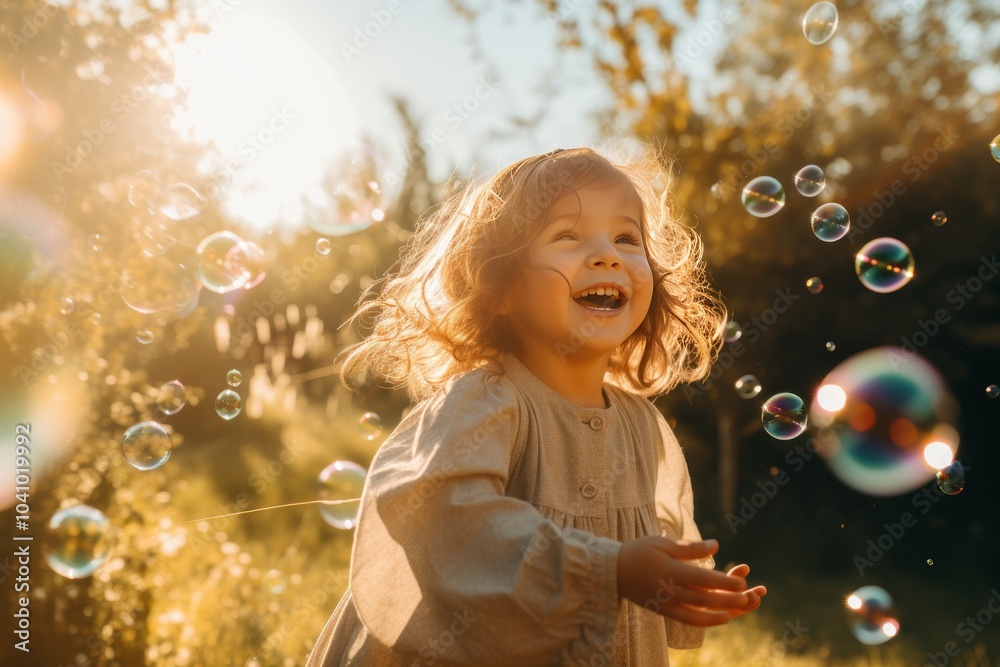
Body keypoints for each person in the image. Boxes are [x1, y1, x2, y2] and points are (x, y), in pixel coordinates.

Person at [306, 146, 767, 666]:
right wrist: (607, 570)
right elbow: (447, 524)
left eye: (625, 238)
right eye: (567, 236)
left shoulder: (642, 425)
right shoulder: (485, 400)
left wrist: (686, 587)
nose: (606, 255)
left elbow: (654, 540)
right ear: (497, 286)